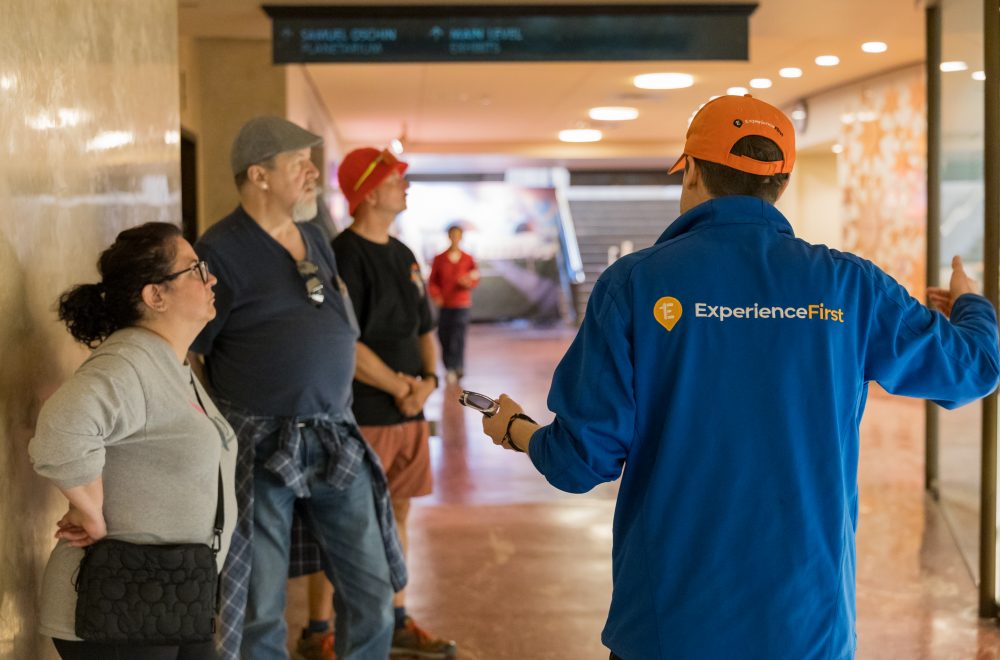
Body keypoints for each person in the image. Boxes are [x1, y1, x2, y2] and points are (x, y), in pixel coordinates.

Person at [481, 95, 1000, 660]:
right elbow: (975, 369)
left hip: (669, 630)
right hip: (807, 631)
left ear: (693, 170)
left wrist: (516, 429)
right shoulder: (849, 286)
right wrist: (971, 304)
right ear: (780, 184)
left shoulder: (635, 284)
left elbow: (579, 461)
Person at [190, 117, 404, 660]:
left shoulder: (315, 234)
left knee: (372, 591)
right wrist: (223, 427)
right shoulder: (218, 250)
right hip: (261, 444)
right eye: (298, 164)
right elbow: (192, 351)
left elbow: (336, 321)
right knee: (260, 608)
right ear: (259, 176)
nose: (313, 172)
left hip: (335, 435)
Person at [28, 222, 238, 660]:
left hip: (173, 594)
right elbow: (61, 429)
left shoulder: (167, 361)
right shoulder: (130, 361)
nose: (211, 278)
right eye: (195, 269)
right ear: (154, 295)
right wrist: (89, 509)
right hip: (122, 602)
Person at [328, 146, 456, 658]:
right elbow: (344, 340)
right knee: (348, 522)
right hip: (366, 413)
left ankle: (398, 616)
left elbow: (426, 327)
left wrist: (427, 381)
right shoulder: (343, 255)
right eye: (395, 179)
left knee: (399, 512)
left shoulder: (403, 255)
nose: (405, 187)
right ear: (369, 192)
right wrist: (400, 387)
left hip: (409, 412)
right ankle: (330, 631)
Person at [428, 223, 480, 383]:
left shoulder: (468, 258)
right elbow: (433, 281)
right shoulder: (439, 258)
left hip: (462, 304)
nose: (455, 238)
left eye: (458, 235)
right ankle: (448, 365)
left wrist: (468, 283)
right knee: (445, 335)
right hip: (445, 305)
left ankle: (457, 366)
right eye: (452, 234)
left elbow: (475, 277)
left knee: (458, 336)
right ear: (449, 236)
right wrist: (436, 295)